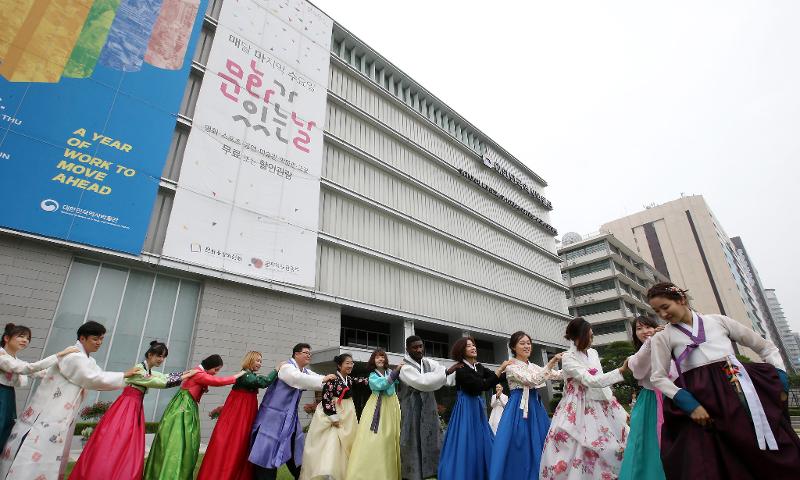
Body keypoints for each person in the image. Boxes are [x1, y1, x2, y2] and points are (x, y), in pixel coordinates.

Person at [647, 282, 800, 479]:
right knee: (712, 457)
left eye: (665, 307)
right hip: (702, 401)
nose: (663, 314)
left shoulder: (718, 321)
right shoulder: (663, 337)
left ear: (681, 300)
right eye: (657, 311)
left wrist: (780, 375)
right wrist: (688, 403)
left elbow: (766, 348)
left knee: (759, 444)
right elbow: (658, 376)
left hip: (741, 391)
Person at [0, 321, 137, 480]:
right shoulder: (72, 355)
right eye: (95, 339)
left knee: (46, 453)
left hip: (59, 415)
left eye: (101, 339)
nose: (99, 342)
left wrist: (127, 379)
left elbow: (99, 378)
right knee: (31, 449)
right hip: (45, 413)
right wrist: (124, 376)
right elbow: (92, 379)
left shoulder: (87, 360)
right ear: (82, 338)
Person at [70, 340, 197, 480]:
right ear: (150, 355)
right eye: (159, 356)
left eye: (163, 357)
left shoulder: (147, 369)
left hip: (134, 406)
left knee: (128, 442)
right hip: (127, 407)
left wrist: (186, 373)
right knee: (119, 439)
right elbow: (159, 382)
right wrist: (186, 376)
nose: (161, 359)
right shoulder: (139, 370)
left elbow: (163, 376)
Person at [540, 318, 630, 479]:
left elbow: (600, 380)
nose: (592, 339)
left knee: (611, 443)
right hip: (577, 405)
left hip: (599, 402)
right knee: (577, 445)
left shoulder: (594, 353)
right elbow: (590, 380)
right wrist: (620, 371)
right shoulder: (568, 358)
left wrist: (617, 407)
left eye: (592, 335)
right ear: (579, 336)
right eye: (589, 335)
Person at [143, 354, 244, 480]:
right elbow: (218, 382)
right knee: (178, 441)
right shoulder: (199, 374)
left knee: (183, 440)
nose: (216, 373)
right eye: (216, 369)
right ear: (210, 366)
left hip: (187, 406)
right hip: (184, 408)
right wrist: (238, 375)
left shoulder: (199, 372)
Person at [248, 343, 336, 480]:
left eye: (310, 353)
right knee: (266, 454)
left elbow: (315, 377)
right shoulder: (286, 367)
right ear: (296, 354)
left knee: (297, 452)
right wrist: (323, 379)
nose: (309, 355)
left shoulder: (304, 371)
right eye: (306, 352)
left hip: (290, 420)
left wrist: (333, 382)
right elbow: (297, 379)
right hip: (272, 419)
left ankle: (302, 476)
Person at [197, 351, 282, 480]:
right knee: (234, 445)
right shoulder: (245, 375)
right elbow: (264, 382)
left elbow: (236, 400)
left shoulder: (248, 375)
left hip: (245, 416)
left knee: (240, 446)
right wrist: (276, 370)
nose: (259, 363)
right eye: (257, 360)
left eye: (261, 361)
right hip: (240, 419)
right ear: (250, 360)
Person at [490, 331, 563, 480]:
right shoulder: (511, 367)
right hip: (519, 408)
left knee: (541, 440)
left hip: (535, 406)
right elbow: (532, 380)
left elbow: (557, 375)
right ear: (513, 347)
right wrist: (552, 361)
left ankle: (542, 473)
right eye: (522, 343)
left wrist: (574, 366)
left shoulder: (533, 365)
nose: (527, 346)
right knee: (520, 442)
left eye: (528, 343)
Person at [0, 324, 77, 447]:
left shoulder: (15, 359)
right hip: (2, 393)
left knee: (6, 427)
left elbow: (39, 372)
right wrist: (59, 355)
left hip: (7, 393)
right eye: (21, 336)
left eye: (27, 338)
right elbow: (27, 368)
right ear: (7, 338)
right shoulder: (2, 356)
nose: (25, 340)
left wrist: (68, 375)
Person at [438, 337, 503, 480]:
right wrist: (499, 370)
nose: (473, 348)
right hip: (466, 406)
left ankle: (485, 469)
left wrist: (511, 370)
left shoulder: (478, 366)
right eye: (469, 346)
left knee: (481, 436)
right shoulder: (461, 369)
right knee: (466, 438)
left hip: (477, 405)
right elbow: (481, 386)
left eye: (474, 345)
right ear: (462, 350)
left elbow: (493, 378)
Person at [398, 335, 460, 480]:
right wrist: (445, 373)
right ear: (407, 349)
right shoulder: (404, 368)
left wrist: (455, 373)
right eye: (415, 347)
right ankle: (413, 475)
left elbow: (447, 378)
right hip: (411, 410)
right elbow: (423, 383)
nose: (419, 350)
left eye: (421, 346)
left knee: (434, 438)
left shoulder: (428, 362)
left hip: (429, 408)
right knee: (413, 440)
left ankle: (434, 471)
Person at [300, 353, 368, 480]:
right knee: (332, 443)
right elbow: (326, 399)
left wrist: (383, 378)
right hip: (334, 414)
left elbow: (362, 381)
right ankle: (329, 473)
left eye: (351, 363)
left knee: (344, 445)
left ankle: (342, 473)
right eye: (347, 363)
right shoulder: (332, 379)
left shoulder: (349, 379)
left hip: (347, 413)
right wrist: (333, 417)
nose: (350, 365)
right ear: (339, 365)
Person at [618, 316, 666, 480]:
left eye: (648, 327)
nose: (644, 331)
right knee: (647, 445)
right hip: (650, 402)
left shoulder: (669, 345)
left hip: (673, 397)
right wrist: (651, 342)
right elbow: (639, 370)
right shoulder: (634, 358)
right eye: (639, 328)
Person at [346, 349, 403, 480]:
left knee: (392, 437)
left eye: (382, 357)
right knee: (378, 437)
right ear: (373, 360)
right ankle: (373, 472)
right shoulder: (372, 375)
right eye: (377, 357)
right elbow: (382, 384)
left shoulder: (389, 372)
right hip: (378, 406)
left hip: (392, 405)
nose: (380, 359)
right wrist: (396, 371)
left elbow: (396, 382)